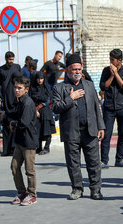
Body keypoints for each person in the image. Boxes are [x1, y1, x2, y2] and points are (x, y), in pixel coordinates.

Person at [52, 54, 105, 200]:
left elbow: (96, 106)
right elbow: (55, 108)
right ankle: (77, 189)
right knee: (73, 163)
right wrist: (71, 98)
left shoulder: (88, 85)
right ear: (68, 71)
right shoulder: (59, 88)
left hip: (90, 130)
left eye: (79, 69)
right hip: (71, 132)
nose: (77, 72)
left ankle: (95, 190)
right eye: (74, 69)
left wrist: (101, 126)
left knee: (94, 162)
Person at [7, 76, 38, 206]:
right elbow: (15, 114)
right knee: (14, 166)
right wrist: (4, 115)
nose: (16, 90)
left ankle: (32, 195)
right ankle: (22, 192)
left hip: (28, 141)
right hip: (20, 140)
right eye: (15, 87)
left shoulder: (28, 103)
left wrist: (13, 123)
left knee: (29, 170)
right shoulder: (20, 101)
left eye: (19, 88)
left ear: (26, 89)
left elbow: (24, 122)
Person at [99, 49, 123, 168]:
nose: (111, 62)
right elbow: (103, 86)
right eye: (110, 59)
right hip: (109, 107)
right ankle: (104, 160)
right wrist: (112, 75)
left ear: (119, 61)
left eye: (113, 60)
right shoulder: (105, 71)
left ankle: (119, 159)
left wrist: (117, 74)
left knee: (122, 134)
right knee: (106, 134)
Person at [0, 51, 22, 156]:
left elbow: (21, 82)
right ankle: (6, 150)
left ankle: (14, 148)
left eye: (12, 59)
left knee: (15, 125)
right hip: (6, 101)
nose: (11, 61)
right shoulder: (1, 69)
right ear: (5, 59)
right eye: (9, 59)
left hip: (15, 100)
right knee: (7, 125)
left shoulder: (17, 67)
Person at [30, 72, 56, 155]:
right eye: (38, 78)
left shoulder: (46, 87)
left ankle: (46, 147)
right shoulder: (33, 88)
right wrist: (35, 110)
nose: (40, 80)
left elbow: (48, 99)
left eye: (41, 78)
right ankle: (39, 147)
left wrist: (38, 107)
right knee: (38, 130)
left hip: (45, 111)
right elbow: (31, 100)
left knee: (47, 130)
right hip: (36, 112)